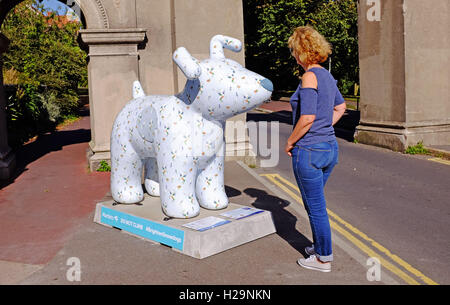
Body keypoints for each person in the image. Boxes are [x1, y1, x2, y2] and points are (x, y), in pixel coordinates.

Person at [285, 25, 346, 272]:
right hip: (330, 148)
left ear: (301, 52)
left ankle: (323, 259)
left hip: (309, 150)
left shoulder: (309, 77)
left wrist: (290, 141)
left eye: (293, 51)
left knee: (316, 207)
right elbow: (340, 108)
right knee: (315, 204)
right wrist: (324, 127)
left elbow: (308, 117)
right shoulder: (327, 77)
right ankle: (320, 247)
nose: (293, 56)